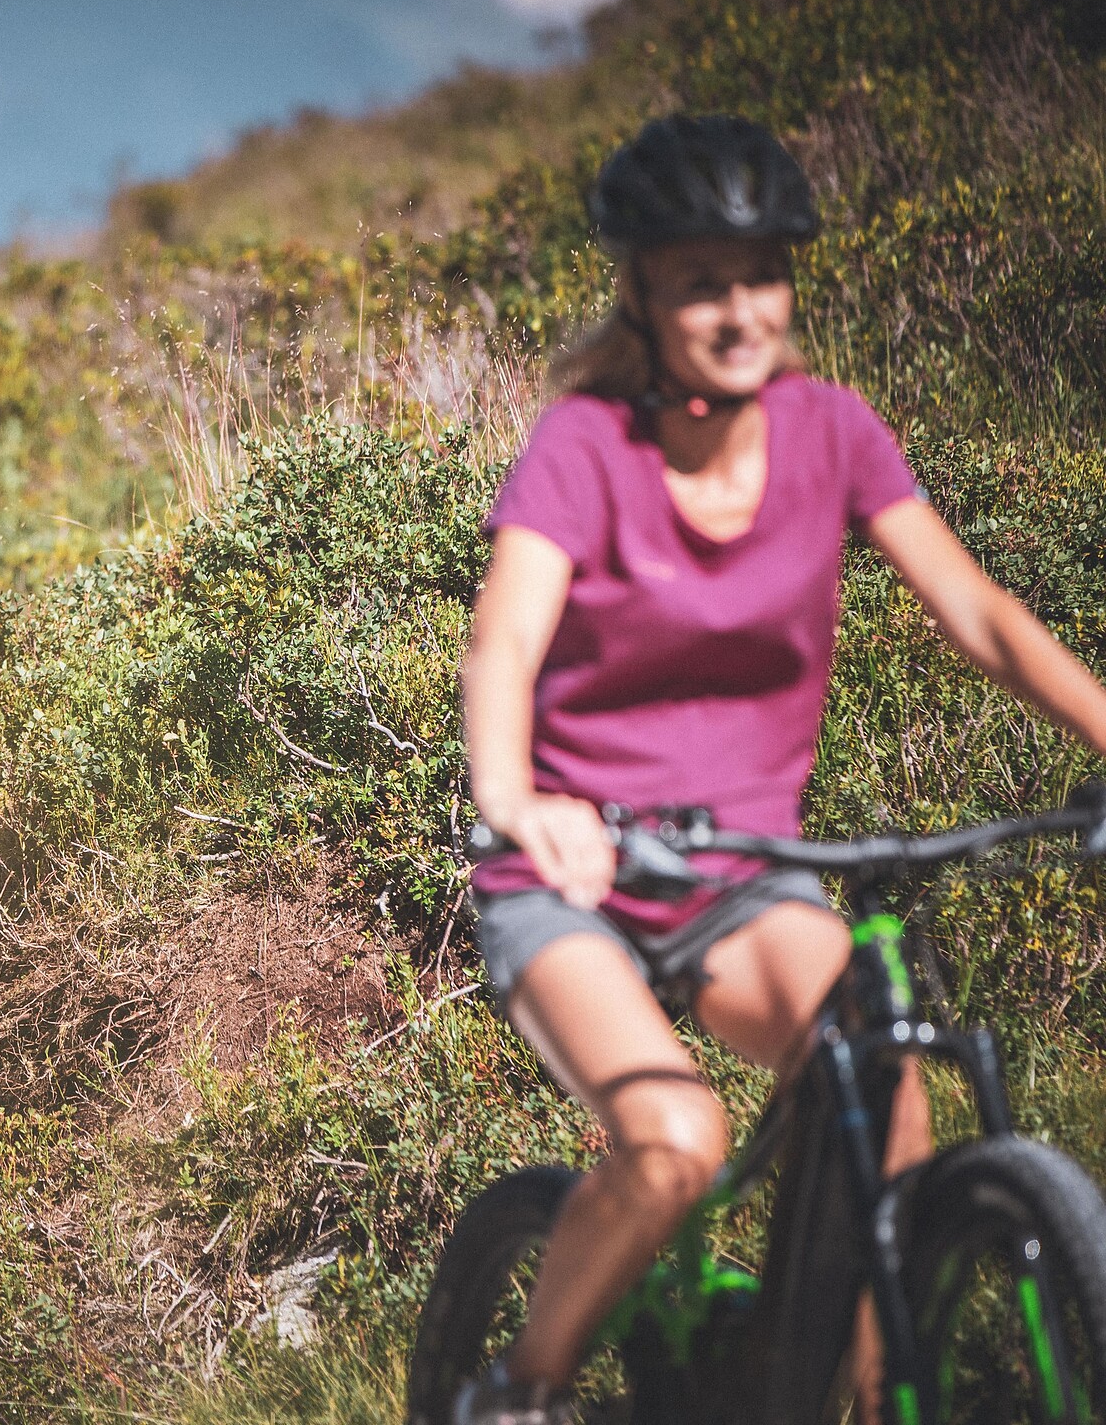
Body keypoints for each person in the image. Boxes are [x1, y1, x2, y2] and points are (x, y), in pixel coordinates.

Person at [454, 115, 1106, 1423]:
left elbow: (977, 616)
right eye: (703, 282)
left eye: (760, 278)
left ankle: (850, 1399)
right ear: (642, 294)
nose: (739, 309)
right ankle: (513, 1394)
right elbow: (505, 642)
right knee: (675, 1144)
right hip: (574, 873)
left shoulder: (832, 433)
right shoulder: (586, 447)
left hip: (744, 877)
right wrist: (520, 801)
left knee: (888, 1077)